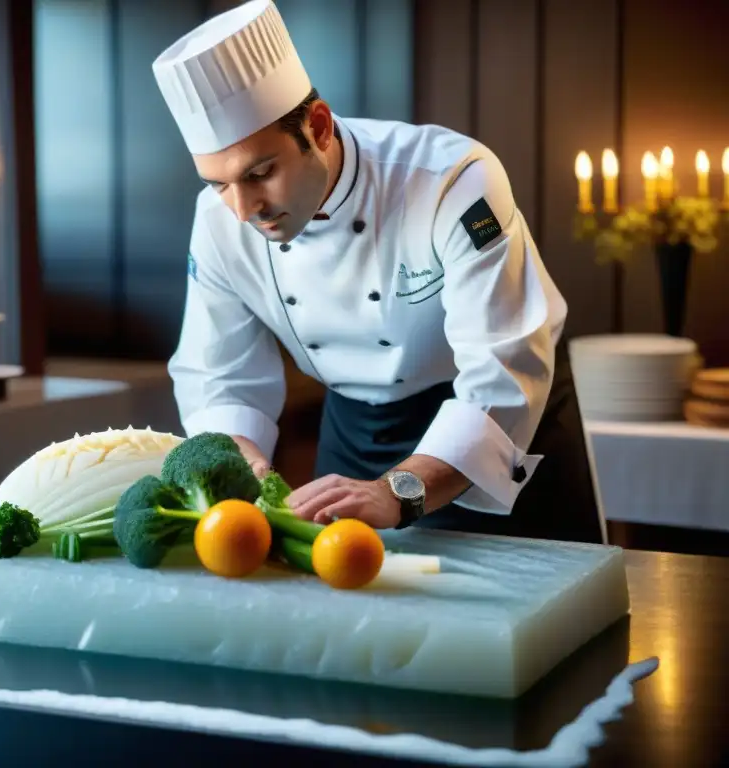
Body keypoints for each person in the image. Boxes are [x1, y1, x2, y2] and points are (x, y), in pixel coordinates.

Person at [151, 0, 605, 544]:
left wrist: (397, 493)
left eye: (261, 173)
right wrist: (247, 466)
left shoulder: (451, 182)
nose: (244, 210)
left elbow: (500, 374)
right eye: (219, 184)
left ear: (318, 127)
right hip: (354, 434)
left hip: (498, 425)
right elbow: (219, 376)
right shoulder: (221, 220)